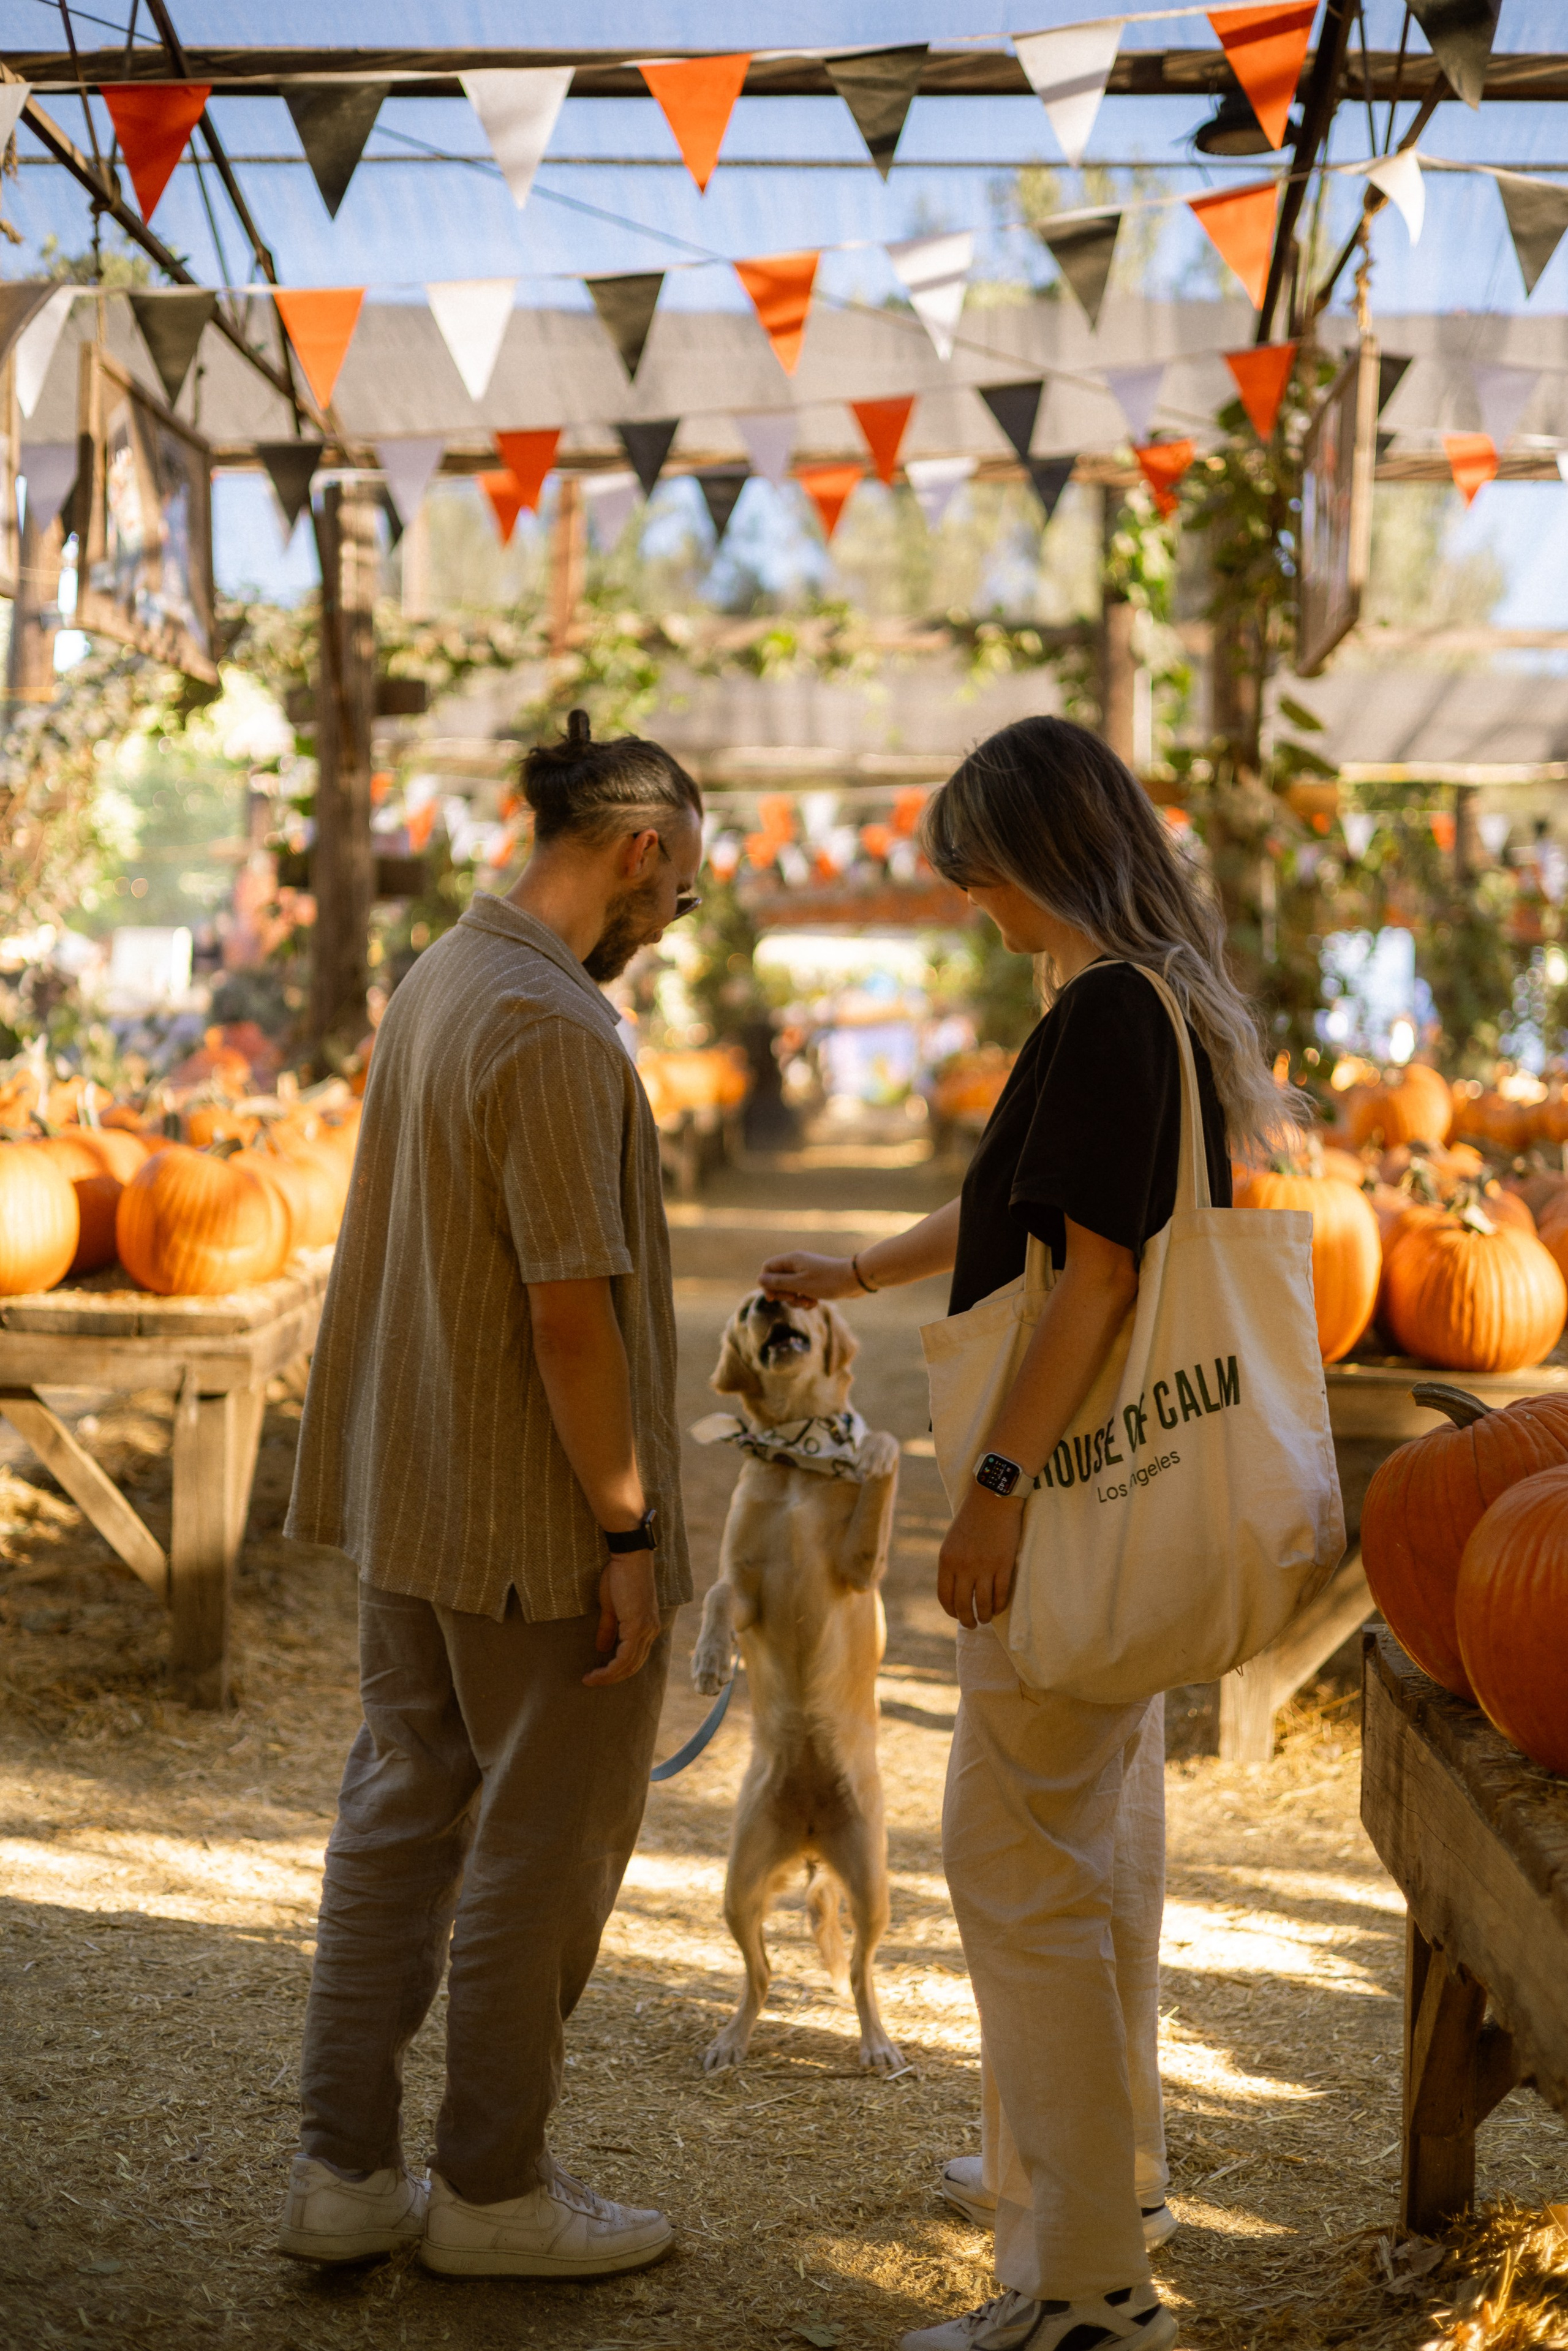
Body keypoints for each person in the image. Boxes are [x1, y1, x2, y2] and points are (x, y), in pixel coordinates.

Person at [760, 717, 1305, 2351]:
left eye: (977, 867)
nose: (965, 899)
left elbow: (1100, 1276)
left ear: (1046, 851)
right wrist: (853, 1273)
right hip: (1130, 1486)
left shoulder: (1115, 1013)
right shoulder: (1136, 1000)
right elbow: (1024, 1197)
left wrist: (994, 1490)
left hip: (1074, 1485)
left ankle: (1074, 2283)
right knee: (1098, 1842)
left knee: (1011, 1854)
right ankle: (1091, 2177)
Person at [277, 711, 704, 2281]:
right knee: (544, 1836)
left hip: (415, 1492)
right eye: (684, 891)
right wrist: (630, 1529)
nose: (673, 923)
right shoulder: (549, 1027)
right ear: (641, 849)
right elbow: (568, 1313)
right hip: (527, 1522)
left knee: (398, 1810)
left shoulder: (444, 974)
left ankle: (343, 2170)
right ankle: (492, 2186)